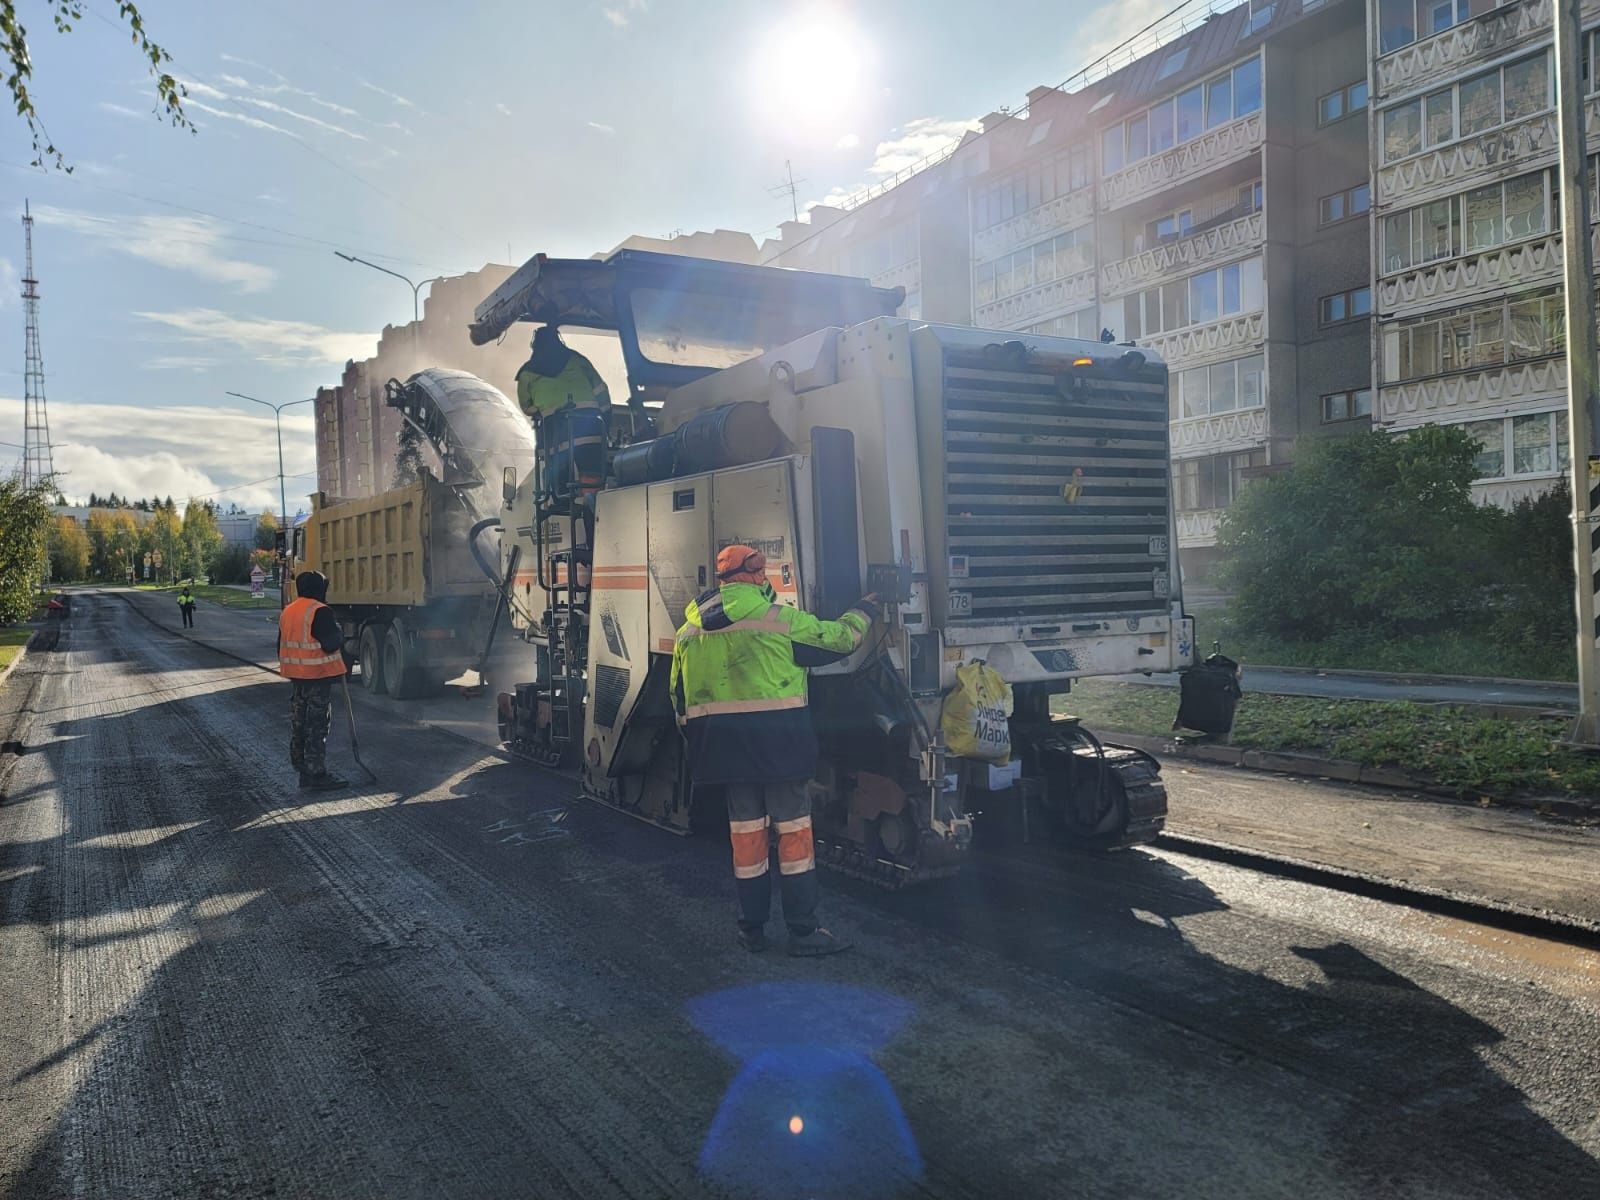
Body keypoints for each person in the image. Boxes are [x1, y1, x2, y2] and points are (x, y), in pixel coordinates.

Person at [670, 544, 879, 957]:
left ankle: (752, 931)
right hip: (780, 749)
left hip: (726, 754)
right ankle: (803, 932)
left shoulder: (688, 632)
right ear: (754, 575)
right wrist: (866, 608)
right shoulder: (777, 620)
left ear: (722, 579)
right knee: (794, 840)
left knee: (747, 844)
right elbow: (842, 639)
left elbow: (678, 700)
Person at [514, 324, 611, 503]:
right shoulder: (578, 360)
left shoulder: (527, 372)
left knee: (560, 485)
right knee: (591, 481)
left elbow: (527, 407)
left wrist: (543, 409)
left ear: (535, 346)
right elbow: (602, 391)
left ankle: (565, 506)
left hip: (556, 435)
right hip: (590, 428)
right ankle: (592, 511)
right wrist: (607, 423)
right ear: (559, 341)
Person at [277, 570, 348, 791]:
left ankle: (303, 771)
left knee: (299, 724)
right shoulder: (320, 611)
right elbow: (331, 643)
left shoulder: (288, 611)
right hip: (316, 679)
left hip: (297, 678)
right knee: (316, 726)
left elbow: (281, 644)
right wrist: (339, 632)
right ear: (320, 588)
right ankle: (317, 773)